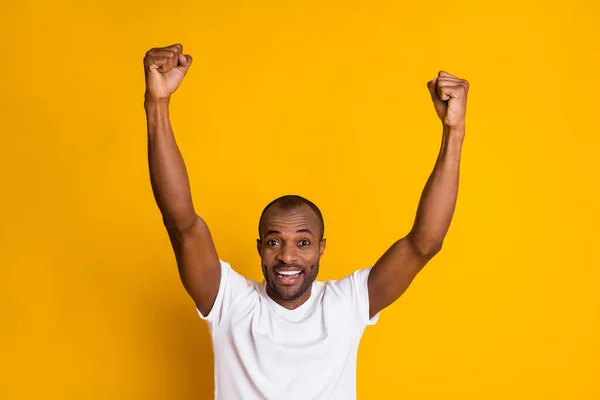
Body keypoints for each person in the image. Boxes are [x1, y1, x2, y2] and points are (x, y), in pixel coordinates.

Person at [143, 43, 469, 400]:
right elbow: (181, 224)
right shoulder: (231, 304)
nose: (287, 256)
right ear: (260, 248)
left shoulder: (346, 305)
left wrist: (454, 133)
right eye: (273, 241)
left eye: (302, 242)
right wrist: (157, 104)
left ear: (321, 248)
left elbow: (424, 244)